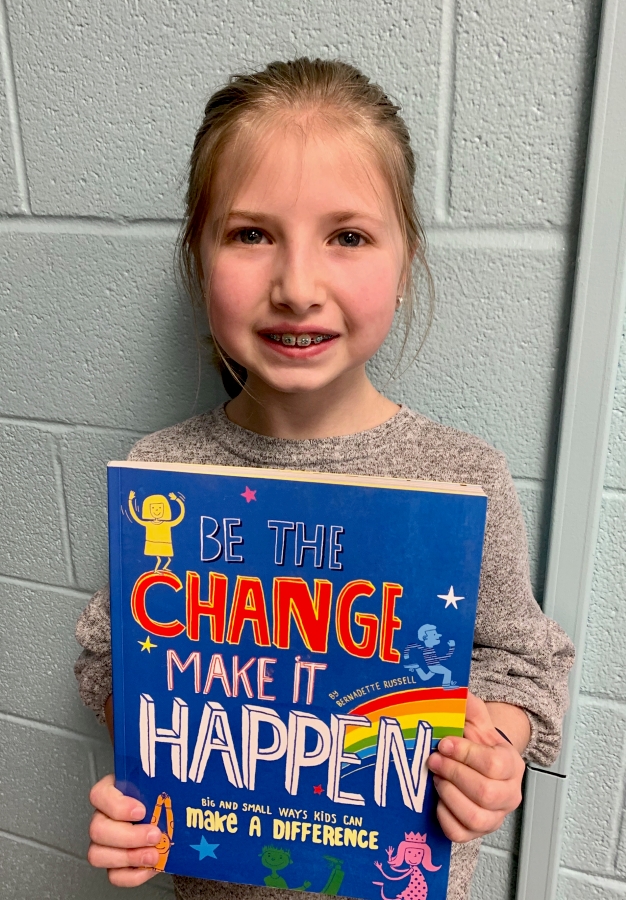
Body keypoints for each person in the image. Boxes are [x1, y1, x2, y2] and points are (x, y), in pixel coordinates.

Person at [74, 57, 575, 900]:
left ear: (405, 256)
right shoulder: (162, 477)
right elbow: (103, 651)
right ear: (198, 255)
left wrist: (494, 746)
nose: (297, 287)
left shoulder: (463, 479)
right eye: (249, 233)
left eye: (347, 236)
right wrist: (147, 756)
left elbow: (525, 661)